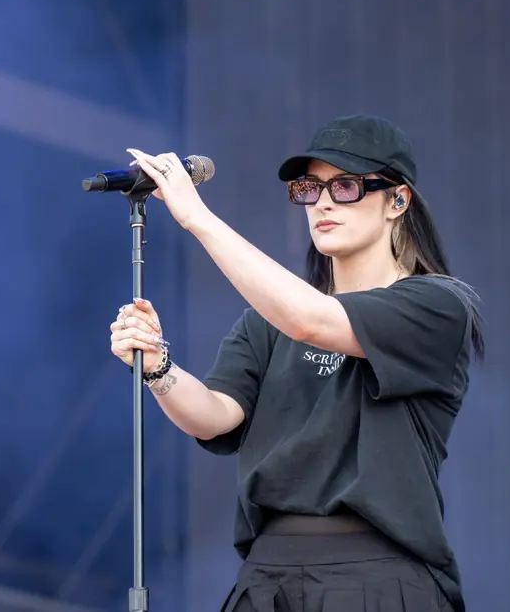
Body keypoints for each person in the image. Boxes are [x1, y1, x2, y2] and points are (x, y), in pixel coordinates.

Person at [109, 115, 483, 612]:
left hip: (375, 574)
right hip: (267, 577)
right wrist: (158, 366)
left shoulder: (437, 304)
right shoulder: (268, 321)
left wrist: (195, 216)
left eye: (345, 186)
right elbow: (215, 416)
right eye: (310, 188)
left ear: (397, 200)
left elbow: (314, 321)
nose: (323, 202)